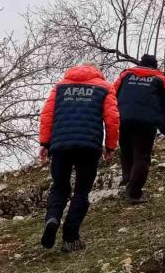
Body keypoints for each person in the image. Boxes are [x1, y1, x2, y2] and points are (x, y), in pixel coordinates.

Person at [38, 62, 119, 252]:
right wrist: (110, 145)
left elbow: (47, 115)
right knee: (82, 191)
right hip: (88, 146)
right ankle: (70, 237)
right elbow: (113, 119)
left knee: (60, 186)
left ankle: (52, 218)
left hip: (60, 145)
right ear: (97, 72)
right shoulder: (105, 87)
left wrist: (44, 143)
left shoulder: (60, 87)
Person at [112, 54, 165, 204]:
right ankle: (133, 193)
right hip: (146, 123)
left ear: (140, 63)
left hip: (123, 119)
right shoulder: (160, 79)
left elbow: (112, 94)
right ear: (155, 66)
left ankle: (127, 182)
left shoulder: (126, 75)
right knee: (141, 156)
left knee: (126, 152)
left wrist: (111, 120)